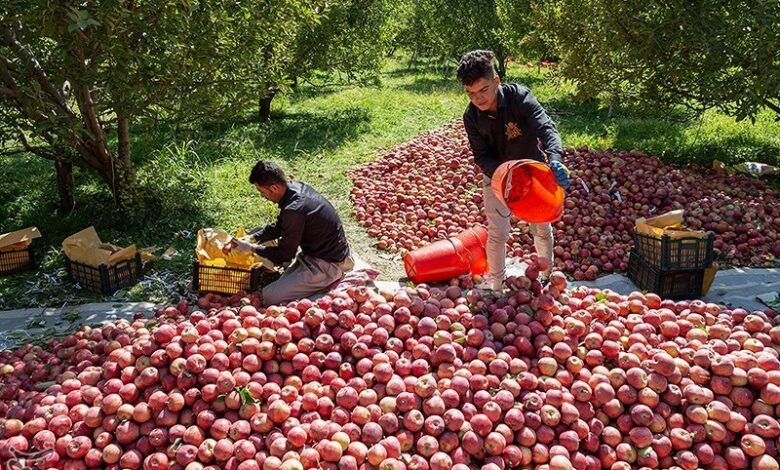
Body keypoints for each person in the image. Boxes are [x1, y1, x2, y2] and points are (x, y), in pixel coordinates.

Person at [457, 49, 570, 291]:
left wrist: (556, 158)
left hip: (532, 171)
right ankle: (496, 286)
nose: (478, 98)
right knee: (497, 233)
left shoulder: (519, 98)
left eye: (483, 90)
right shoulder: (471, 117)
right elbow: (481, 156)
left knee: (541, 223)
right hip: (497, 179)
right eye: (471, 93)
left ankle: (546, 275)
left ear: (496, 81)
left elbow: (546, 128)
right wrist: (503, 174)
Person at [225, 160, 354, 306]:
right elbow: (280, 227)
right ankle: (288, 276)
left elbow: (284, 255)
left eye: (262, 191)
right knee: (256, 233)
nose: (262, 196)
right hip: (313, 251)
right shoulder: (294, 188)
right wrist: (252, 238)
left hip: (327, 264)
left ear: (274, 188)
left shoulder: (295, 210)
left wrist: (249, 248)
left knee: (271, 297)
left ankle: (324, 283)